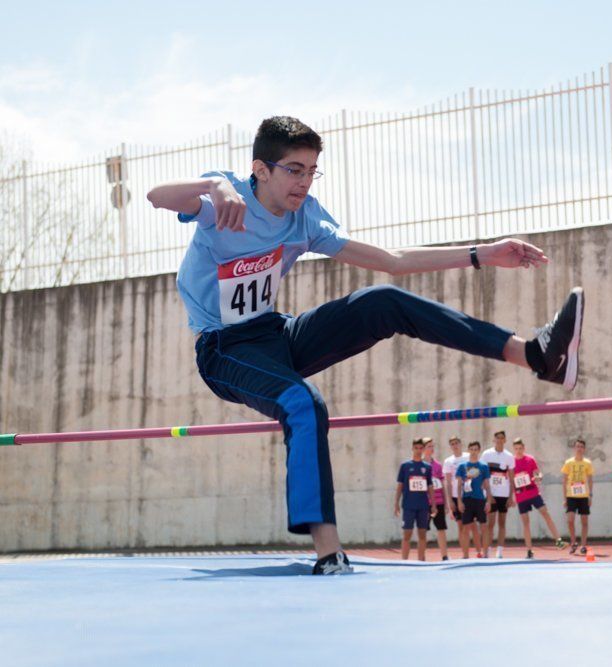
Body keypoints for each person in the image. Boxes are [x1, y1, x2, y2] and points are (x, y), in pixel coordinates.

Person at [146, 116, 586, 575]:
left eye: (312, 170)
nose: (304, 181)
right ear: (261, 169)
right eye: (294, 169)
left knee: (383, 301)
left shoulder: (306, 216)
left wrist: (482, 253)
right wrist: (213, 186)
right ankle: (329, 551)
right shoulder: (225, 198)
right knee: (303, 402)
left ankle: (534, 356)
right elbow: (157, 196)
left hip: (275, 334)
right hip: (224, 349)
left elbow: (391, 261)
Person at [511, 437, 566, 558]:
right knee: (526, 522)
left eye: (520, 448)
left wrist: (538, 477)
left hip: (533, 493)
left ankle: (558, 540)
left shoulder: (530, 460)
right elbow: (510, 480)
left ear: (524, 448)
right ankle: (529, 550)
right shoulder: (511, 462)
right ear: (513, 449)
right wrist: (511, 497)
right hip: (521, 495)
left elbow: (537, 473)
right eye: (516, 449)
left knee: (545, 513)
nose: (518, 451)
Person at [393, 438, 436, 561]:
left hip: (423, 506)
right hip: (408, 505)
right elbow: (400, 485)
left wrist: (433, 504)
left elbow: (430, 486)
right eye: (416, 448)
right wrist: (396, 503)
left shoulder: (427, 467)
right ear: (412, 448)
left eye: (420, 448)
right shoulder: (405, 466)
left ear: (423, 449)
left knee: (422, 534)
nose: (418, 450)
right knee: (407, 534)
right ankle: (404, 561)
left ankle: (421, 560)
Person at [480, 430, 516, 558]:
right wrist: (487, 495)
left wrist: (511, 496)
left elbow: (512, 478)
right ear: (493, 440)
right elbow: (482, 474)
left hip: (504, 494)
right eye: (497, 438)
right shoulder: (486, 454)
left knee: (502, 522)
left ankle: (499, 551)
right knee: (490, 523)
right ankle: (487, 550)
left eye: (502, 438)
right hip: (490, 494)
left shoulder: (509, 456)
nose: (500, 440)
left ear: (505, 440)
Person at [456, 441, 492, 558]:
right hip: (467, 499)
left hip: (480, 499)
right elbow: (459, 485)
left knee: (484, 526)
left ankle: (485, 553)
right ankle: (465, 555)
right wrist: (459, 501)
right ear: (468, 450)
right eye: (471, 449)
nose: (473, 451)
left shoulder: (484, 466)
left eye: (476, 449)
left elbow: (487, 484)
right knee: (465, 528)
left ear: (479, 450)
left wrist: (488, 501)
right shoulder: (462, 466)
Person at [560, 438, 594, 555]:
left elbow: (590, 480)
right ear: (574, 448)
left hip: (584, 496)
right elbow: (564, 481)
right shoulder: (568, 462)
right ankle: (574, 542)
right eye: (577, 446)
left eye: (581, 446)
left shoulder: (587, 463)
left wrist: (590, 496)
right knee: (570, 520)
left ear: (584, 449)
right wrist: (564, 499)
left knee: (584, 521)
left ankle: (583, 545)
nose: (579, 448)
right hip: (571, 496)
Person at [421, 437, 449, 560]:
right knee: (423, 530)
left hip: (439, 503)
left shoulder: (437, 465)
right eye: (429, 446)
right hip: (424, 503)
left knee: (441, 529)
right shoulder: (419, 465)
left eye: (433, 446)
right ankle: (422, 557)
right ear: (423, 449)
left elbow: (443, 485)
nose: (431, 449)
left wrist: (446, 503)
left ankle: (444, 556)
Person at [442, 436, 468, 527]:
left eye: (456, 443)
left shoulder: (468, 456)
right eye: (452, 444)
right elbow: (448, 482)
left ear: (460, 444)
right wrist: (450, 501)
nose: (455, 445)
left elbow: (476, 473)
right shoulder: (448, 461)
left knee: (471, 525)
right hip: (455, 496)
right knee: (460, 525)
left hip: (469, 494)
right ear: (450, 447)